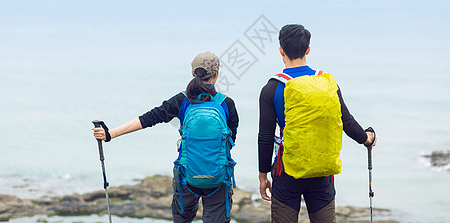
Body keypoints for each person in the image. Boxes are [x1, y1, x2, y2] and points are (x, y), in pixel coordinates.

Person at [93, 51, 239, 223]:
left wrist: (111, 134)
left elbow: (149, 118)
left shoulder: (182, 101)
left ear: (193, 73)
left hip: (186, 177)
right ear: (216, 75)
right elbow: (230, 142)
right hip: (218, 178)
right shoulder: (226, 104)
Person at [257, 24, 377, 223]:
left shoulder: (272, 88)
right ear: (308, 50)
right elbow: (346, 121)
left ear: (281, 50)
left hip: (287, 172)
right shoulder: (326, 83)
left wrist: (263, 175)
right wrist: (367, 139)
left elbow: (266, 137)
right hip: (322, 171)